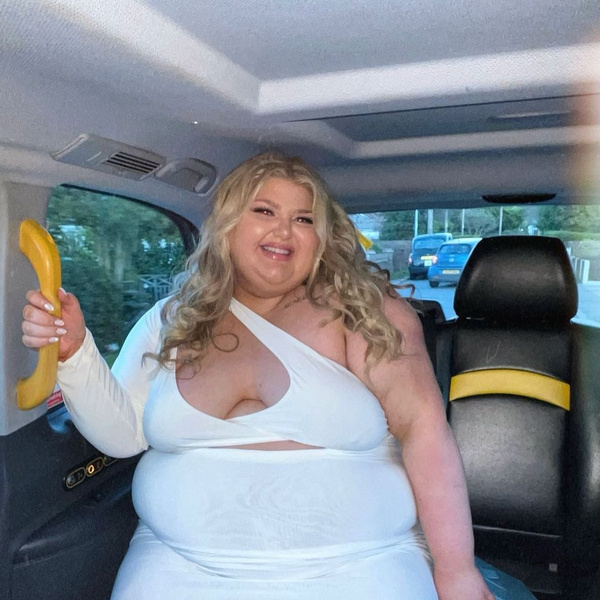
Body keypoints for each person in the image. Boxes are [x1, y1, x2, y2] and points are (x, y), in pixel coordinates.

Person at [22, 152, 533, 600]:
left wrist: (456, 569)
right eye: (264, 211)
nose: (284, 231)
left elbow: (426, 432)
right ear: (228, 226)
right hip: (177, 566)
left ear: (321, 238)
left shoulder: (363, 312)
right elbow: (122, 435)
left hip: (359, 566)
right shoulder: (170, 318)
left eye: (303, 219)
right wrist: (75, 352)